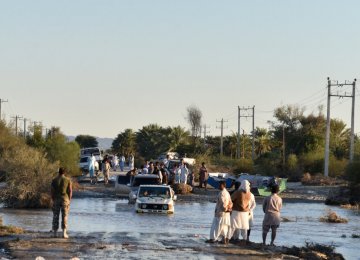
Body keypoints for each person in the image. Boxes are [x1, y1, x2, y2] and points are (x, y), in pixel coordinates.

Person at [51, 167, 72, 239]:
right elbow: (70, 191)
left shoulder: (54, 180)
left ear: (58, 172)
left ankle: (55, 233)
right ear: (64, 172)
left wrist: (53, 199)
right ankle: (64, 233)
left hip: (56, 199)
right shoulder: (67, 180)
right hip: (65, 199)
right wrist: (69, 200)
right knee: (64, 216)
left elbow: (52, 191)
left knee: (55, 216)